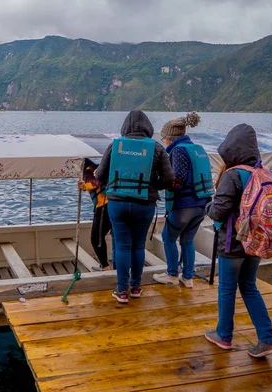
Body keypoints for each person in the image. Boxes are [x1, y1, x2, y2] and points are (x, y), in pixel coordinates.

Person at [204, 123, 272, 358]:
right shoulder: (263, 172)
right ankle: (268, 338)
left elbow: (219, 211)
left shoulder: (233, 174)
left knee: (227, 289)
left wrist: (208, 205)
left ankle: (224, 335)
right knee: (249, 286)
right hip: (256, 242)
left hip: (232, 244)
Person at [96, 110, 174, 303]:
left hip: (117, 204)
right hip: (144, 204)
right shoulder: (156, 148)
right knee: (138, 246)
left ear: (125, 128)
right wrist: (151, 187)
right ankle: (136, 287)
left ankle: (122, 291)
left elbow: (99, 175)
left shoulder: (114, 146)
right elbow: (168, 179)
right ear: (148, 127)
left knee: (122, 246)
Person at [153, 113, 212, 288]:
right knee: (187, 240)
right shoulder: (197, 149)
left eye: (164, 137)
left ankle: (171, 274)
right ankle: (187, 278)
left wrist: (157, 184)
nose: (163, 141)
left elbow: (177, 178)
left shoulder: (178, 151)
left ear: (170, 137)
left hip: (184, 205)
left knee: (168, 237)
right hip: (202, 204)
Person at [78, 159, 111, 271]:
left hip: (104, 206)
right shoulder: (100, 168)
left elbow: (96, 183)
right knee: (116, 236)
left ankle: (105, 267)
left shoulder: (87, 172)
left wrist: (84, 186)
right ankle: (117, 265)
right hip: (116, 204)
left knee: (96, 238)